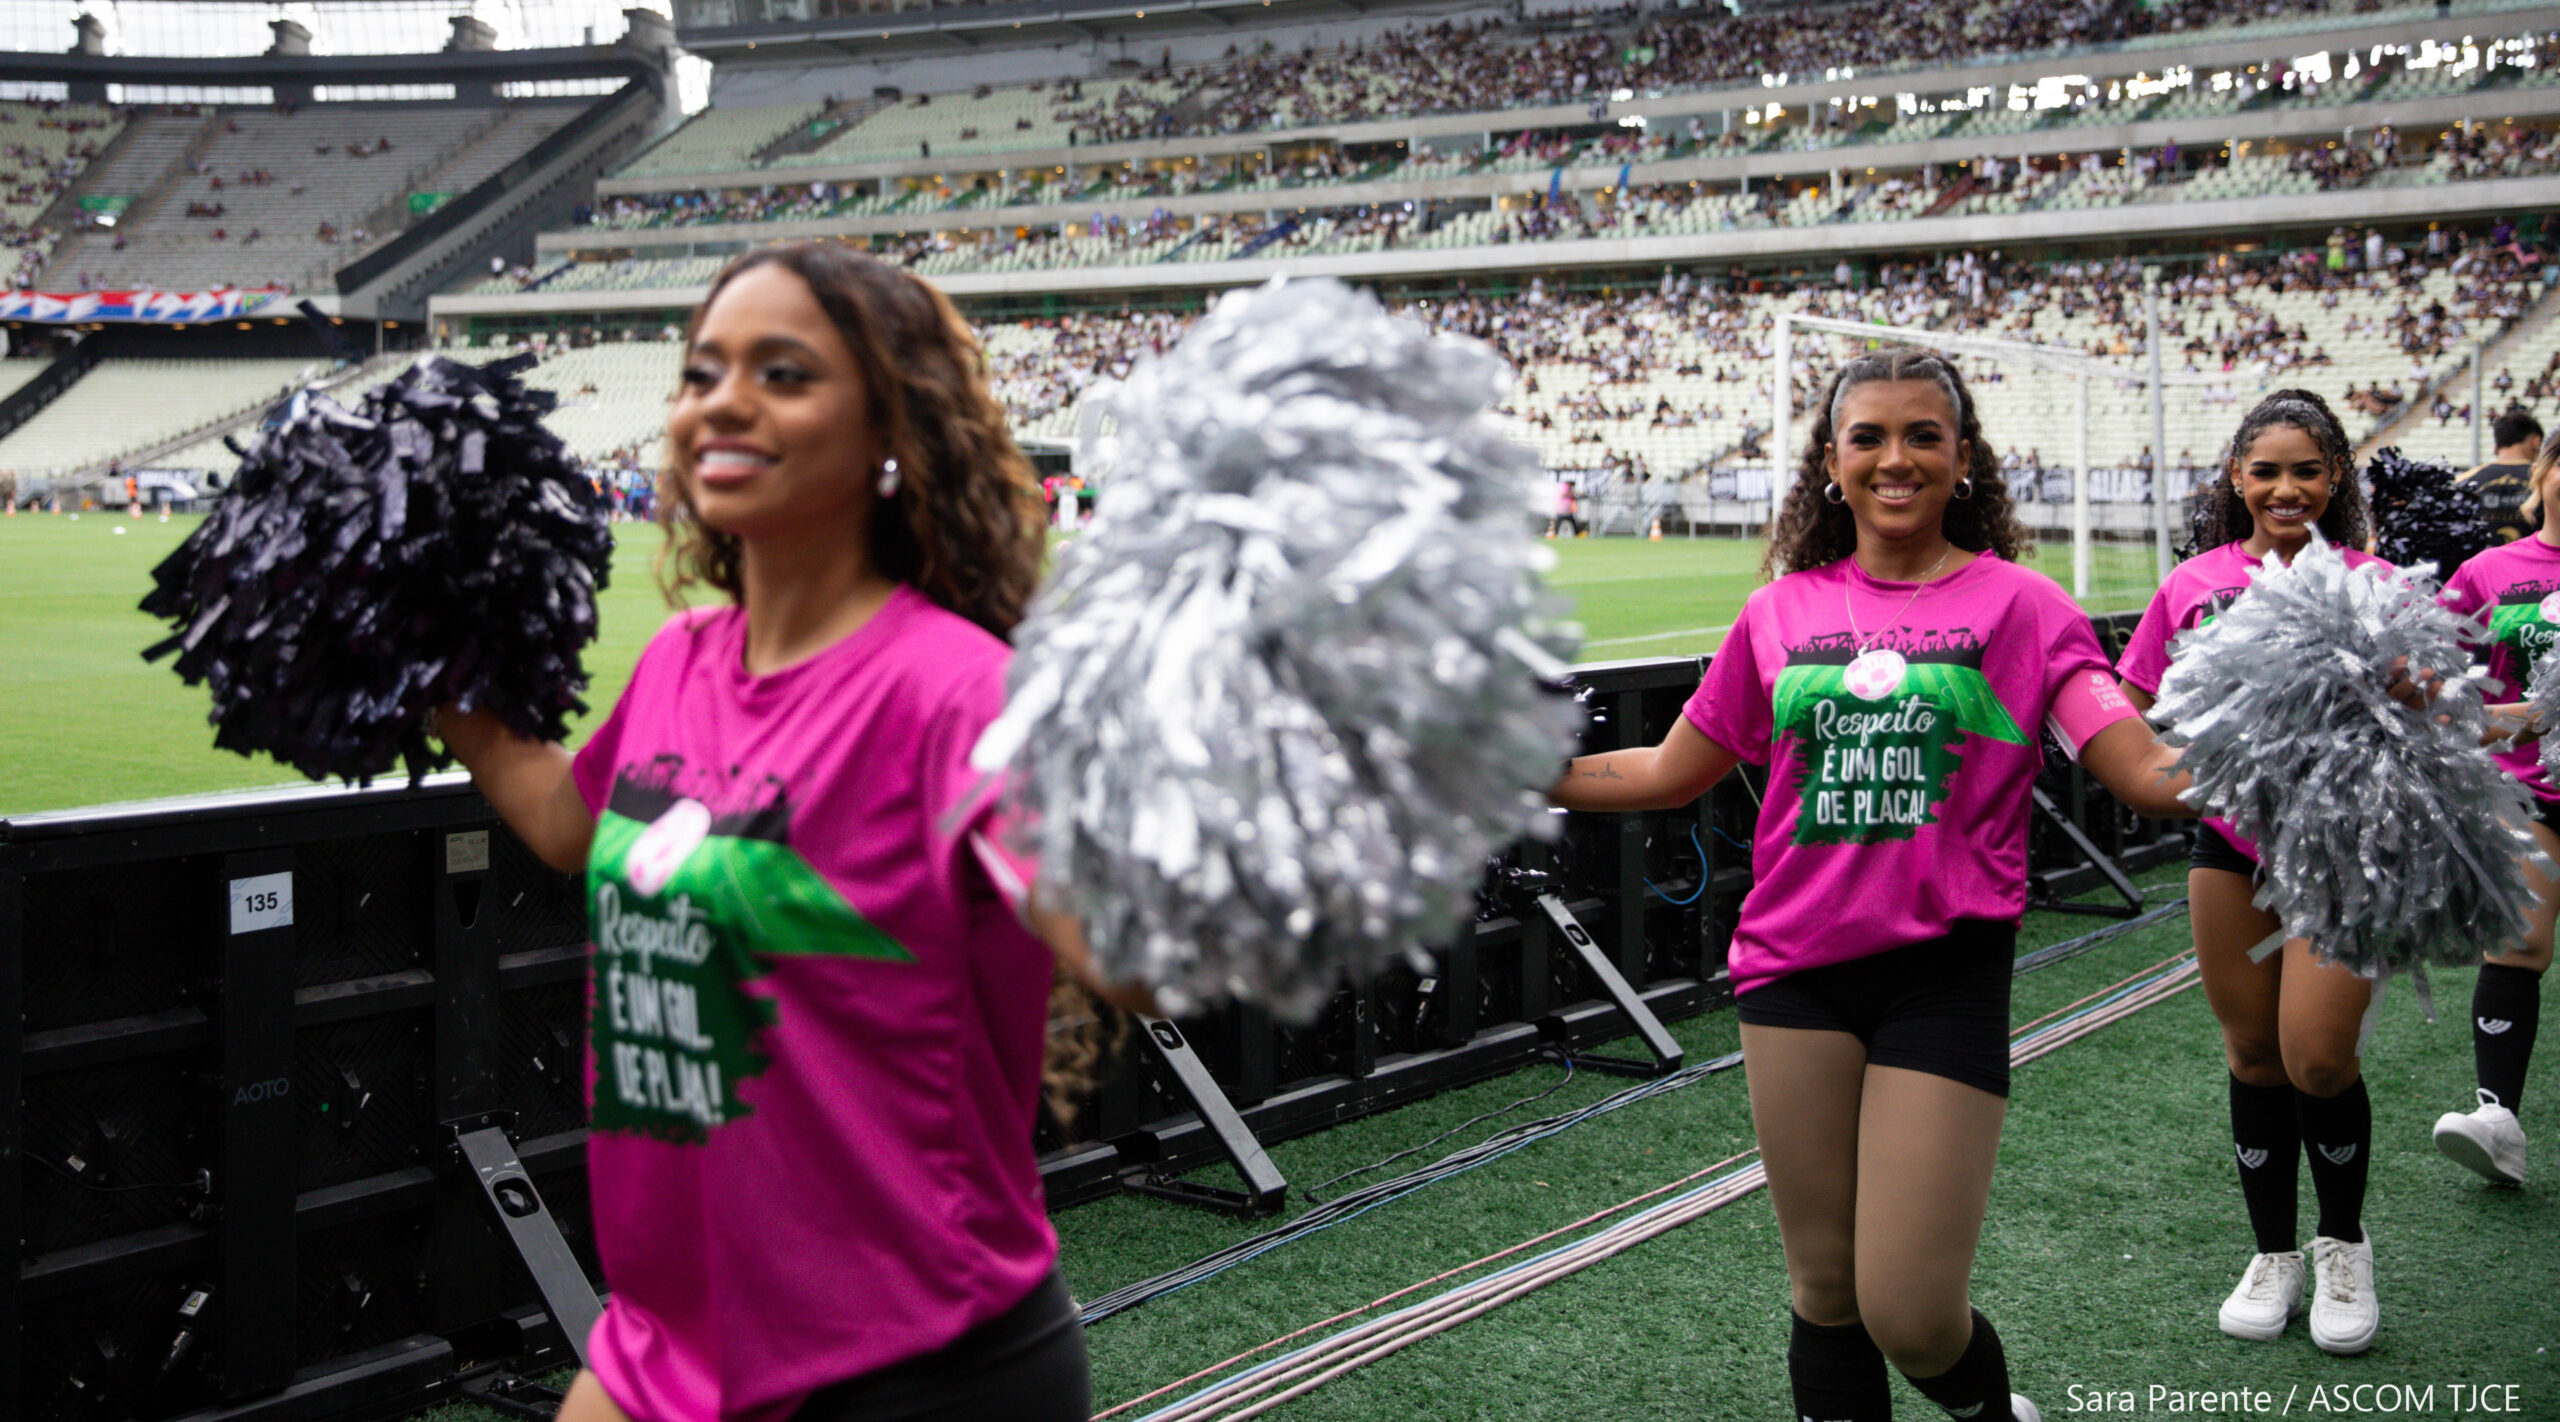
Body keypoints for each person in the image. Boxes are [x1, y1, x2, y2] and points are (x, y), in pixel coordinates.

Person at [435, 243, 1109, 1422]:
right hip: (665, 1341)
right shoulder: (680, 662)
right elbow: (567, 824)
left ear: (895, 429)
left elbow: (1125, 954)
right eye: (701, 373)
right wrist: (420, 661)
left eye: (784, 373)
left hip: (911, 1363)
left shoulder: (963, 696)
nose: (722, 402)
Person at [1552, 348, 2192, 1422]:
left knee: (1911, 1311)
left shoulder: (2024, 607)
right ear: (1831, 465)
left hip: (1939, 976)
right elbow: (1671, 770)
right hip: (1789, 973)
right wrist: (1506, 771)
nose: (1896, 459)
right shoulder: (1778, 612)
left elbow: (2134, 765)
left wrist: (2297, 748)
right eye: (1869, 438)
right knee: (1826, 1289)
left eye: (1922, 437)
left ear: (1963, 460)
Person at [2115, 389, 2388, 1357]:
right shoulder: (2191, 584)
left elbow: (2426, 704)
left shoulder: (2372, 580)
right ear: (2235, 479)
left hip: (2342, 853)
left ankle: (2343, 1243)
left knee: (2316, 1056)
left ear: (2334, 479)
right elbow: (2132, 700)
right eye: (2265, 470)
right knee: (2253, 1057)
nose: (2285, 488)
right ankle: (2272, 1252)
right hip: (2225, 848)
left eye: (2306, 470)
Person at [2431, 425, 2560, 1185]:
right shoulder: (2488, 571)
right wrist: (2505, 718)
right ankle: (2497, 1120)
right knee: (2515, 946)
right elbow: (2434, 682)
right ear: (2543, 470)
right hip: (2527, 791)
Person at [2458, 408, 2545, 547]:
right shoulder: (2548, 481)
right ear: (2536, 442)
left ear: (2496, 447)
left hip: (2480, 566)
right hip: (2537, 565)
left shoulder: (2463, 481)